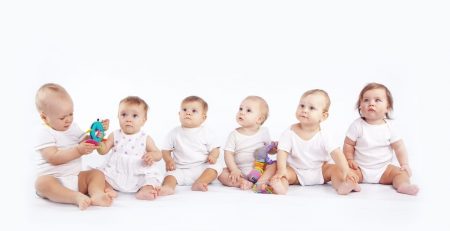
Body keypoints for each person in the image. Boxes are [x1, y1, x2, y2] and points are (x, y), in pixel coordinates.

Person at [34, 83, 114, 210]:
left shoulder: (73, 127)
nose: (68, 120)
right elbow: (53, 158)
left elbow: (87, 140)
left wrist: (97, 133)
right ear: (45, 117)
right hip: (55, 180)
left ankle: (97, 194)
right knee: (41, 184)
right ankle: (75, 197)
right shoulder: (44, 133)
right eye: (62, 117)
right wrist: (78, 150)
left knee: (97, 174)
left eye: (71, 114)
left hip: (76, 178)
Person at [267, 89, 360, 195]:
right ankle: (281, 186)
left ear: (323, 116)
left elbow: (337, 154)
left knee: (335, 170)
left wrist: (346, 171)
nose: (304, 110)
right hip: (295, 171)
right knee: (283, 174)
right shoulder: (289, 132)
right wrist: (282, 170)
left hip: (321, 170)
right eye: (301, 106)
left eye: (311, 108)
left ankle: (343, 185)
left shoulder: (325, 135)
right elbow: (282, 152)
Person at [343, 83, 419, 195]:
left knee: (401, 173)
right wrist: (349, 160)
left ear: (387, 108)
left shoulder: (390, 127)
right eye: (366, 100)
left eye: (377, 100)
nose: (371, 103)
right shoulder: (357, 125)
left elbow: (399, 148)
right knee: (345, 173)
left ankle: (403, 185)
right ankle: (351, 185)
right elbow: (348, 144)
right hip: (360, 168)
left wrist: (404, 164)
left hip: (384, 170)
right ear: (360, 106)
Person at [97, 96, 163, 200]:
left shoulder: (145, 138)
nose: (128, 119)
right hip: (117, 170)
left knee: (151, 178)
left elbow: (158, 153)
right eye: (123, 115)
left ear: (144, 120)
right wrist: (99, 139)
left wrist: (152, 155)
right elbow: (103, 150)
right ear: (118, 117)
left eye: (135, 116)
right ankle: (108, 188)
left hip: (138, 170)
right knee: (100, 175)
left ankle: (145, 190)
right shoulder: (114, 135)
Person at [158, 96, 222, 195]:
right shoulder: (174, 133)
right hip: (180, 169)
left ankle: (201, 182)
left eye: (194, 111)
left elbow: (215, 148)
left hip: (201, 168)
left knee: (215, 167)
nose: (188, 113)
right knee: (170, 175)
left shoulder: (206, 132)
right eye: (184, 110)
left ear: (203, 117)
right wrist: (169, 160)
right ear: (179, 114)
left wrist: (213, 156)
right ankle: (168, 187)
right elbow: (165, 150)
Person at [218, 96, 273, 190]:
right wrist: (234, 170)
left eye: (248, 110)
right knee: (220, 173)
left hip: (260, 170)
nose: (242, 112)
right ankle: (241, 182)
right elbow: (228, 154)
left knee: (274, 165)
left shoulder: (264, 132)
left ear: (259, 119)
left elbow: (269, 149)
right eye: (240, 108)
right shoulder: (234, 135)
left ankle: (261, 182)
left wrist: (274, 148)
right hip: (240, 172)